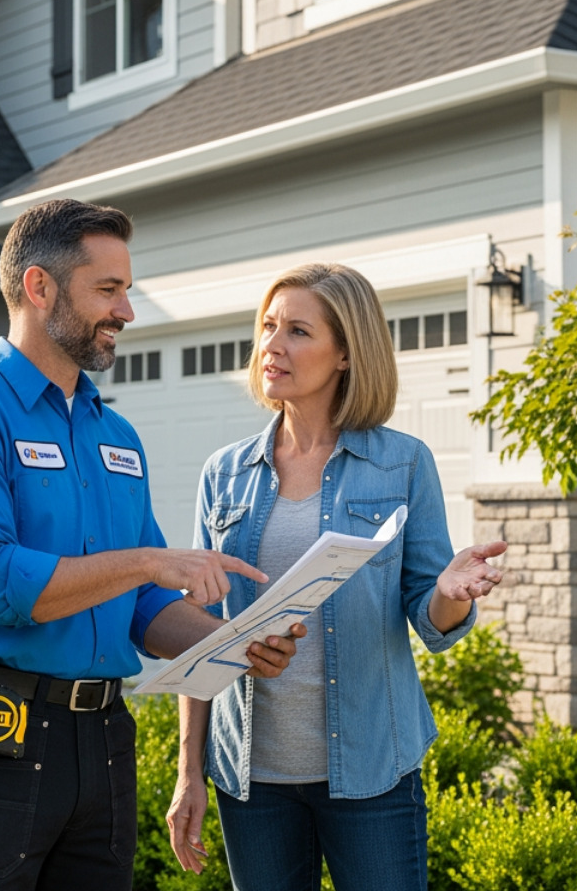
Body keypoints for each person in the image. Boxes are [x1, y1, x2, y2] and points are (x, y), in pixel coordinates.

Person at [0, 199, 304, 891]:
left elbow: (139, 604)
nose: (127, 311)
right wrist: (148, 562)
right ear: (39, 287)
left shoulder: (117, 438)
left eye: (127, 290)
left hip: (100, 746)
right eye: (107, 290)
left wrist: (231, 644)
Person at [165, 263, 507, 891]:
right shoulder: (225, 473)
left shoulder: (401, 463)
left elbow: (431, 617)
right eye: (268, 327)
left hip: (373, 768)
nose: (273, 345)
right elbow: (201, 631)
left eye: (297, 330)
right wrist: (189, 770)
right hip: (253, 777)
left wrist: (450, 594)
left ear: (346, 352)